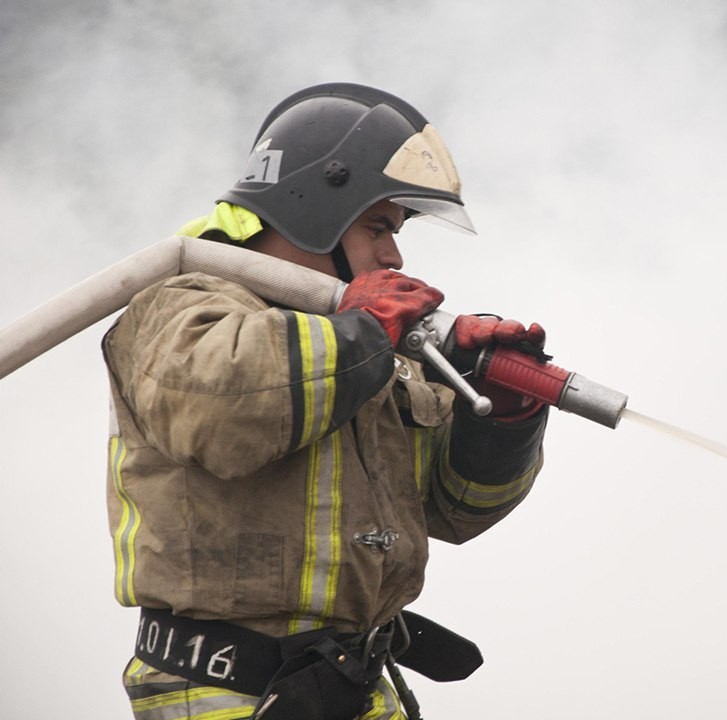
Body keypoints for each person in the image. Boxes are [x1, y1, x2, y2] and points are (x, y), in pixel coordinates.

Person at [103, 83, 549, 720]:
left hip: (350, 687)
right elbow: (224, 412)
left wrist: (504, 417)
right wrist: (364, 333)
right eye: (378, 227)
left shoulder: (367, 349)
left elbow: (456, 512)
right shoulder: (179, 306)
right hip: (228, 696)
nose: (394, 255)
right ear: (312, 207)